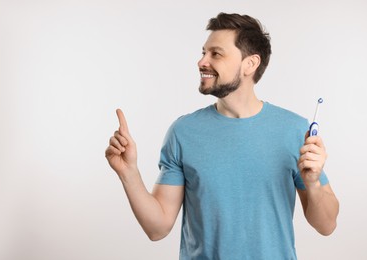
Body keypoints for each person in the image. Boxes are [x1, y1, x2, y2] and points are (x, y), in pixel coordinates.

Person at [105, 12, 339, 259]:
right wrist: (128, 173)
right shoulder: (183, 132)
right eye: (203, 52)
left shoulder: (293, 130)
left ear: (250, 64)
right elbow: (157, 228)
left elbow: (327, 225)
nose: (202, 61)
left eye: (215, 53)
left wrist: (312, 183)